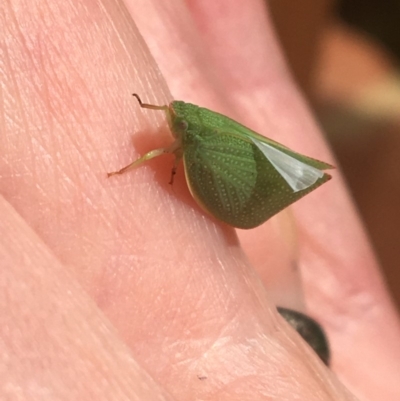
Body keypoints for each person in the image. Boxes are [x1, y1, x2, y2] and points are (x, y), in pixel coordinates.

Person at [1, 1, 399, 400]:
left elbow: (175, 139)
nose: (169, 122)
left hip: (216, 159)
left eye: (180, 125)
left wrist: (128, 170)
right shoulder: (182, 123)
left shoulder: (188, 136)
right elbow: (173, 113)